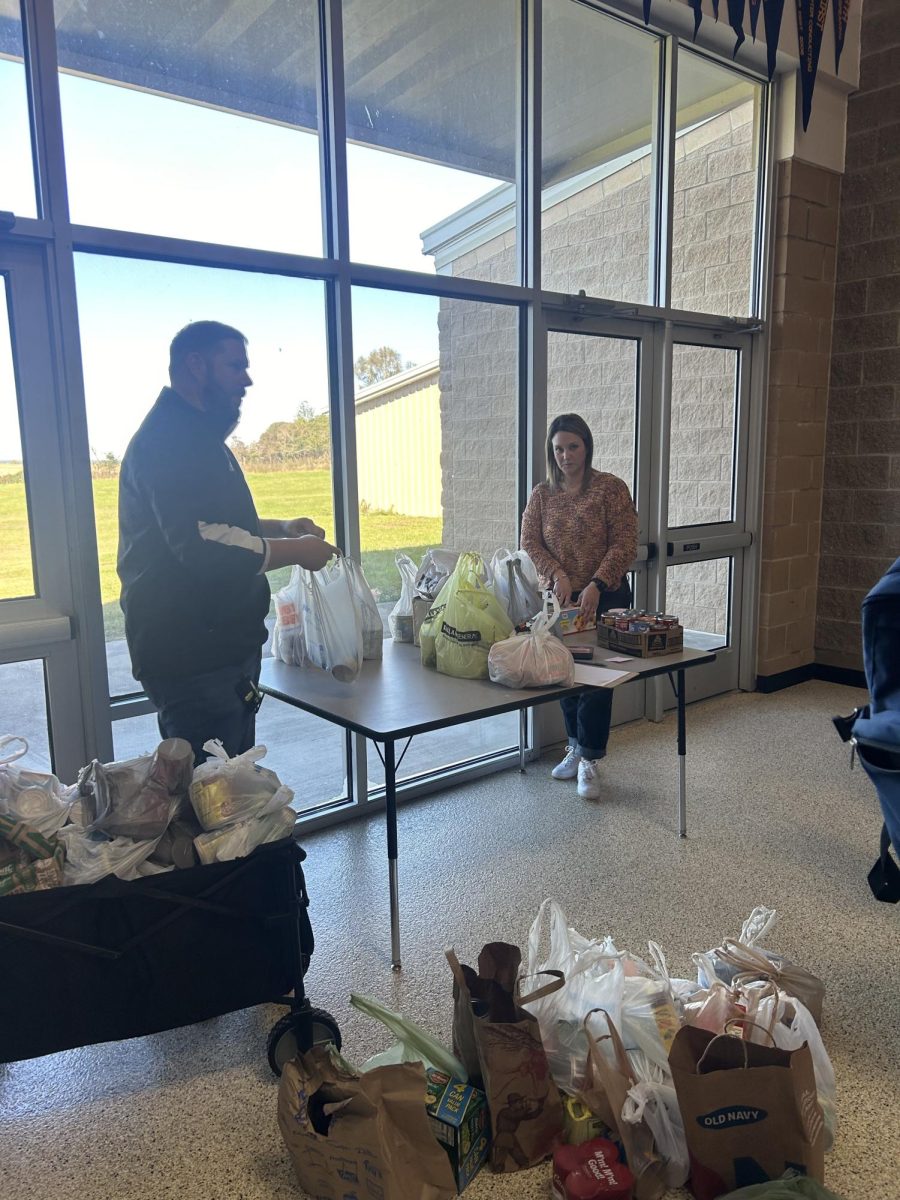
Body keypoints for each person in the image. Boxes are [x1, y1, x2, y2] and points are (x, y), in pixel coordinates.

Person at [117, 320, 338, 763]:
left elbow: (213, 523)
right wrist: (298, 552)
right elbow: (202, 545)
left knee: (232, 789)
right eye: (235, 366)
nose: (247, 379)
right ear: (195, 365)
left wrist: (281, 526)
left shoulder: (197, 434)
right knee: (211, 799)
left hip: (217, 649)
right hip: (193, 656)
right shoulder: (170, 439)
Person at [520, 412, 638, 800]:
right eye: (558, 449)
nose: (566, 456)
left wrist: (596, 585)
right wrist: (558, 574)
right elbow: (530, 542)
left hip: (606, 598)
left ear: (586, 446)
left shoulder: (610, 489)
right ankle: (574, 744)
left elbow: (624, 543)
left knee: (597, 681)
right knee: (565, 674)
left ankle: (590, 759)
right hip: (561, 602)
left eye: (573, 446)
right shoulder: (542, 494)